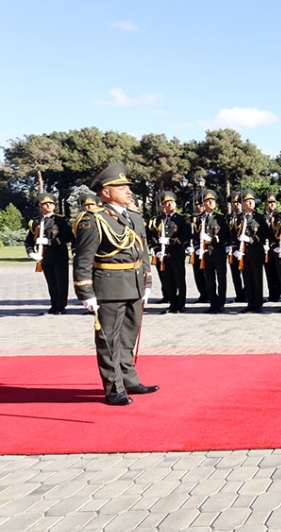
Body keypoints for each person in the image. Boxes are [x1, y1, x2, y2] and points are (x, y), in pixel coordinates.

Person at [72, 163, 158, 406]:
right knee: (109, 340)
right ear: (105, 192)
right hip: (108, 288)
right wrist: (85, 291)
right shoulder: (94, 221)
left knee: (129, 337)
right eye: (121, 187)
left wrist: (147, 281)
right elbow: (83, 259)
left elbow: (143, 252)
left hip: (134, 285)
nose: (128, 191)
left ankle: (130, 380)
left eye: (128, 186)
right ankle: (114, 389)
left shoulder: (135, 218)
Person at [25, 192, 74, 314]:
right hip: (45, 257)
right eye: (45, 204)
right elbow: (29, 241)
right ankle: (53, 305)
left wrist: (50, 242)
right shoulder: (35, 222)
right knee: (51, 283)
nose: (48, 206)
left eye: (51, 203)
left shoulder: (61, 220)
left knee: (61, 282)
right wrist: (31, 253)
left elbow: (68, 237)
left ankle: (61, 306)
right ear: (40, 206)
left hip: (59, 256)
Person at [148, 191, 191, 314]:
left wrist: (172, 241)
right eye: (166, 203)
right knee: (168, 280)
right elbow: (153, 236)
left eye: (171, 202)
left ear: (175, 204)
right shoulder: (157, 220)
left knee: (179, 280)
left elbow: (186, 235)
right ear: (162, 206)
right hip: (163, 255)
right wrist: (156, 249)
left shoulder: (182, 219)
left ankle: (181, 304)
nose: (169, 205)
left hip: (177, 253)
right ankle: (172, 304)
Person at [233, 190, 269, 313]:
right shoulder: (237, 218)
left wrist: (251, 239)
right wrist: (235, 249)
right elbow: (233, 235)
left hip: (256, 252)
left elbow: (264, 234)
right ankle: (250, 302)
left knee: (257, 278)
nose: (250, 203)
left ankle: (258, 303)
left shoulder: (259, 217)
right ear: (243, 203)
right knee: (247, 278)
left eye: (252, 201)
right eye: (248, 201)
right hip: (243, 253)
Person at [195, 189, 230, 313]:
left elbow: (226, 236)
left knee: (221, 279)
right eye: (206, 201)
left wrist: (212, 239)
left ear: (215, 203)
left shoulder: (220, 219)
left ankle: (220, 303)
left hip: (218, 252)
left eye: (212, 201)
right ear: (203, 204)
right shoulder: (199, 219)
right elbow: (194, 235)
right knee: (209, 280)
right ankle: (212, 302)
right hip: (205, 254)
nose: (209, 203)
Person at [226, 193, 247, 303]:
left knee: (246, 273)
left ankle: (247, 293)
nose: (237, 205)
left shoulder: (244, 217)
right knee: (235, 274)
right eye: (234, 203)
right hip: (231, 249)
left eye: (239, 202)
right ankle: (239, 294)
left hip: (242, 249)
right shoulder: (228, 218)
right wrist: (227, 245)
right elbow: (225, 233)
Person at [262, 192, 281, 303]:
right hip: (265, 248)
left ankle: (280, 293)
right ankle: (272, 294)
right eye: (269, 202)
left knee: (279, 271)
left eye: (273, 202)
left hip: (277, 247)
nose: (271, 205)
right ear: (265, 203)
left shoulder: (279, 216)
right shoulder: (261, 217)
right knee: (269, 272)